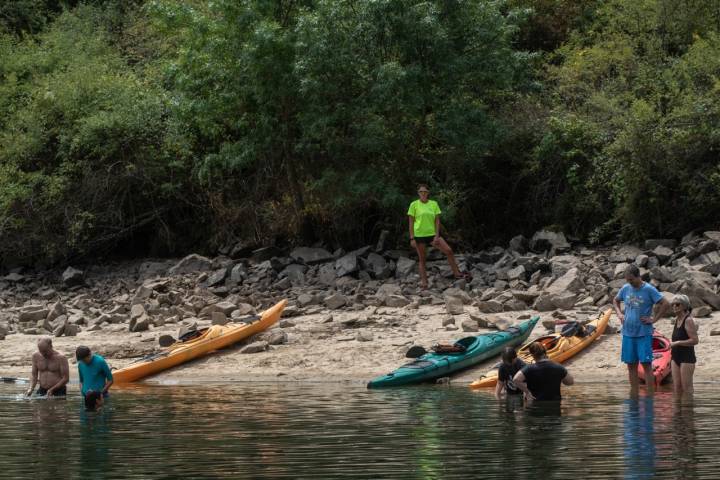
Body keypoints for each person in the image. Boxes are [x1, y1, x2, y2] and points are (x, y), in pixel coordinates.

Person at [613, 264, 670, 394]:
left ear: (638, 276)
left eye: (631, 279)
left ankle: (650, 395)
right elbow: (615, 300)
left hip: (643, 333)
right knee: (631, 365)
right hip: (627, 333)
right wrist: (619, 314)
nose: (629, 282)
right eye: (627, 280)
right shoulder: (626, 288)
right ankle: (634, 395)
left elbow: (665, 303)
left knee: (646, 365)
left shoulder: (649, 289)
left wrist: (654, 319)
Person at [407, 184, 469, 289]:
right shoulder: (414, 205)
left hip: (432, 235)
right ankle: (424, 283)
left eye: (425, 191)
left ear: (428, 193)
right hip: (419, 236)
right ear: (418, 193)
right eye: (421, 192)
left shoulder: (434, 204)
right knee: (422, 259)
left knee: (448, 250)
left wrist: (437, 236)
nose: (423, 193)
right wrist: (412, 238)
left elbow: (437, 221)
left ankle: (457, 273)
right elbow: (411, 223)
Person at [669, 294, 698, 395]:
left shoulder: (688, 320)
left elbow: (695, 340)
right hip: (675, 357)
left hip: (687, 358)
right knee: (677, 388)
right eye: (672, 304)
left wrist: (677, 343)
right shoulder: (676, 320)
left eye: (677, 304)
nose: (674, 306)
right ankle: (677, 410)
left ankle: (688, 410)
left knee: (687, 388)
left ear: (685, 306)